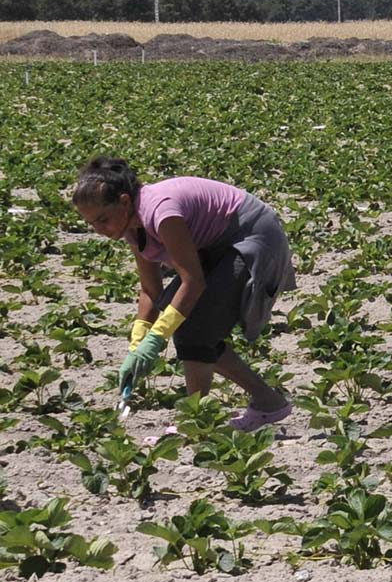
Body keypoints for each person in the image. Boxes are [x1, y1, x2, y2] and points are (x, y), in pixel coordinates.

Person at [70, 157, 296, 429]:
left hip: (251, 235)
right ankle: (268, 402)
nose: (99, 230)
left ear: (125, 201)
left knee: (194, 329)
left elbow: (193, 281)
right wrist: (137, 341)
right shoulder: (129, 225)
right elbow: (150, 289)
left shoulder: (161, 213)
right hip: (216, 244)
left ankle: (195, 421)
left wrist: (157, 338)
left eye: (103, 220)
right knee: (184, 318)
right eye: (92, 224)